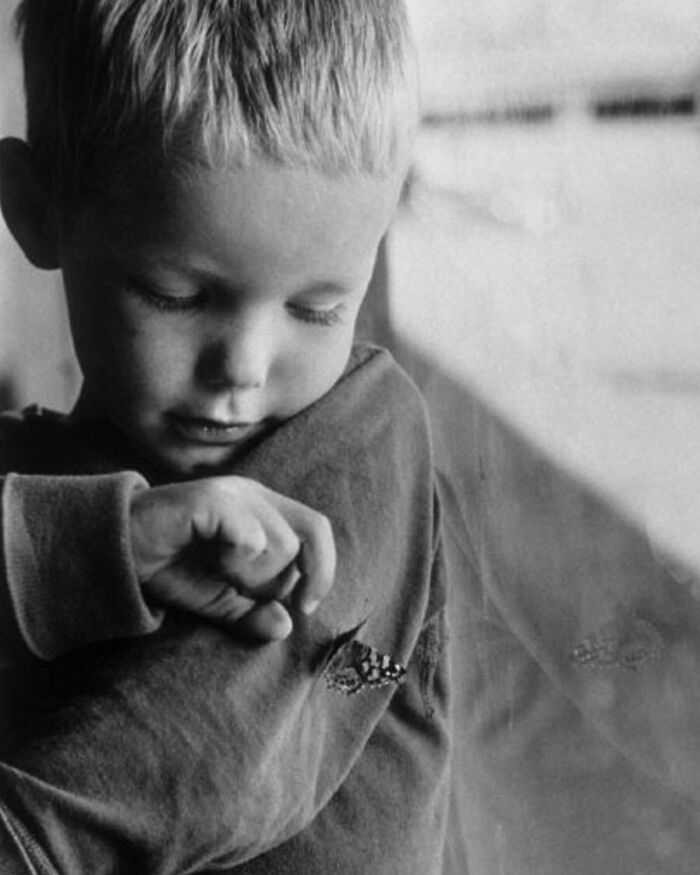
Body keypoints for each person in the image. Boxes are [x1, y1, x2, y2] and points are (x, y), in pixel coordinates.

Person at [0, 1, 452, 872]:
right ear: (34, 210)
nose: (243, 367)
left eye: (318, 309)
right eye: (177, 295)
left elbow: (182, 765)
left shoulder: (363, 439)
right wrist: (96, 547)